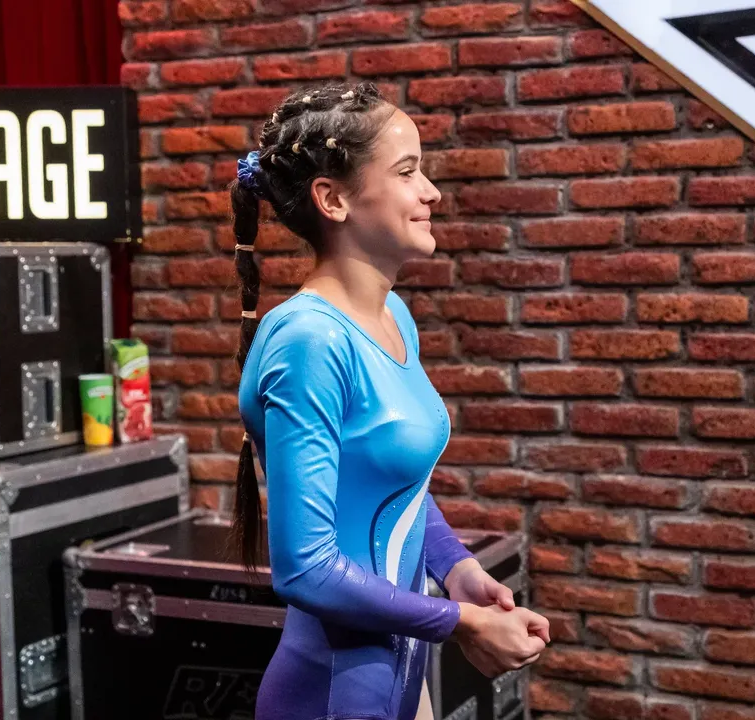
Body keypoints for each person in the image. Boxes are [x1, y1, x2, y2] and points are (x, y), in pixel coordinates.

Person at [228, 81, 551, 720]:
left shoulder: (393, 316)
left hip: (401, 678)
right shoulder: (309, 340)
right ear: (333, 199)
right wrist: (461, 623)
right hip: (332, 693)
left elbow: (390, 484)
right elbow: (305, 569)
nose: (431, 192)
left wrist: (455, 569)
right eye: (407, 172)